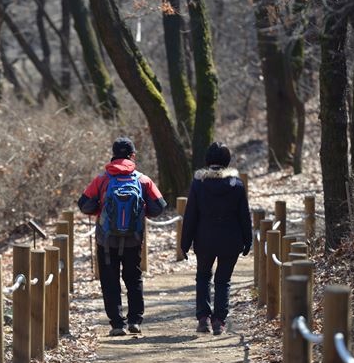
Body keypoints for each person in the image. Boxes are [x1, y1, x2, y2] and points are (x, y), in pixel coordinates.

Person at [78, 137, 167, 336]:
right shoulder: (142, 179)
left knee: (110, 281)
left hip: (106, 240)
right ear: (132, 155)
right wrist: (143, 212)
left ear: (113, 155)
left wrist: (100, 210)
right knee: (133, 278)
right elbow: (160, 206)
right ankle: (135, 320)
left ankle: (117, 324)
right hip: (133, 239)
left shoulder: (102, 179)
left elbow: (83, 204)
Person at [180, 142, 252, 335]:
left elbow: (191, 216)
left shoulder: (198, 184)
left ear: (207, 160)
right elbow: (244, 215)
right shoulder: (236, 185)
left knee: (203, 276)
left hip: (205, 240)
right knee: (223, 280)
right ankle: (219, 320)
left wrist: (184, 244)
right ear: (227, 161)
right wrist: (248, 240)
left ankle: (203, 317)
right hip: (231, 240)